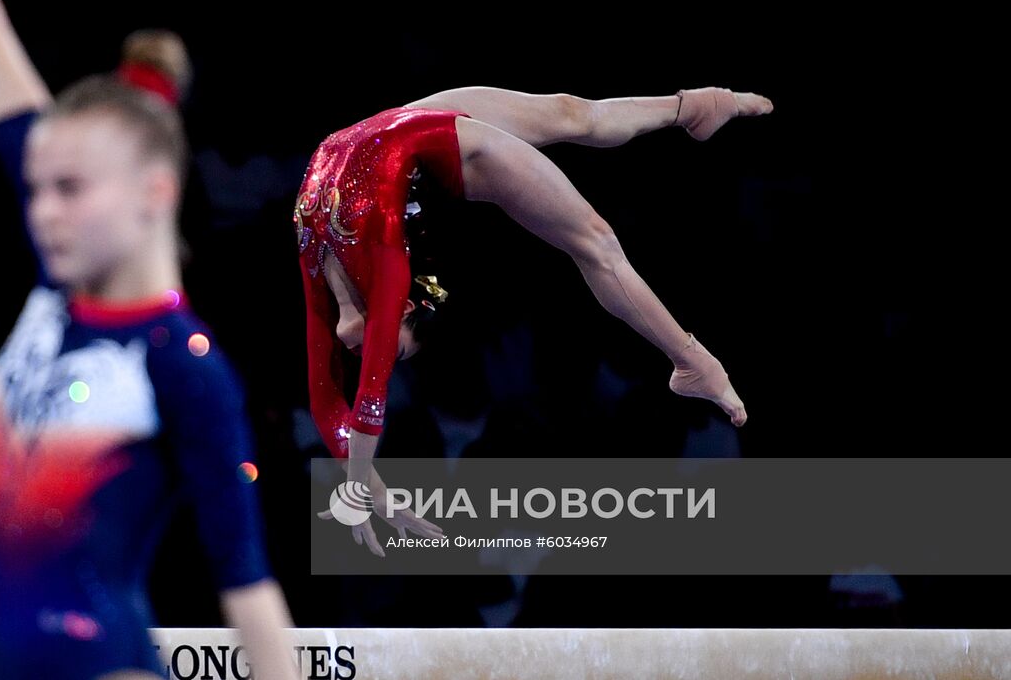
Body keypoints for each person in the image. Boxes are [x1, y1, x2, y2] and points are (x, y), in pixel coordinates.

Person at [0, 0, 297, 680]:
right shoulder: (52, 302)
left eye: (69, 190)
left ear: (153, 195)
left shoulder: (182, 368)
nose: (44, 209)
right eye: (40, 189)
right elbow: (22, 125)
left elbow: (250, 591)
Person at [299, 86, 772, 553]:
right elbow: (326, 400)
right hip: (396, 134)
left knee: (595, 234)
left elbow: (365, 397)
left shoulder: (385, 278)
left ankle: (692, 361)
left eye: (396, 349)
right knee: (570, 118)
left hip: (430, 141)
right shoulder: (332, 277)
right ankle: (700, 107)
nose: (381, 359)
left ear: (402, 310)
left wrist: (360, 487)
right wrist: (371, 489)